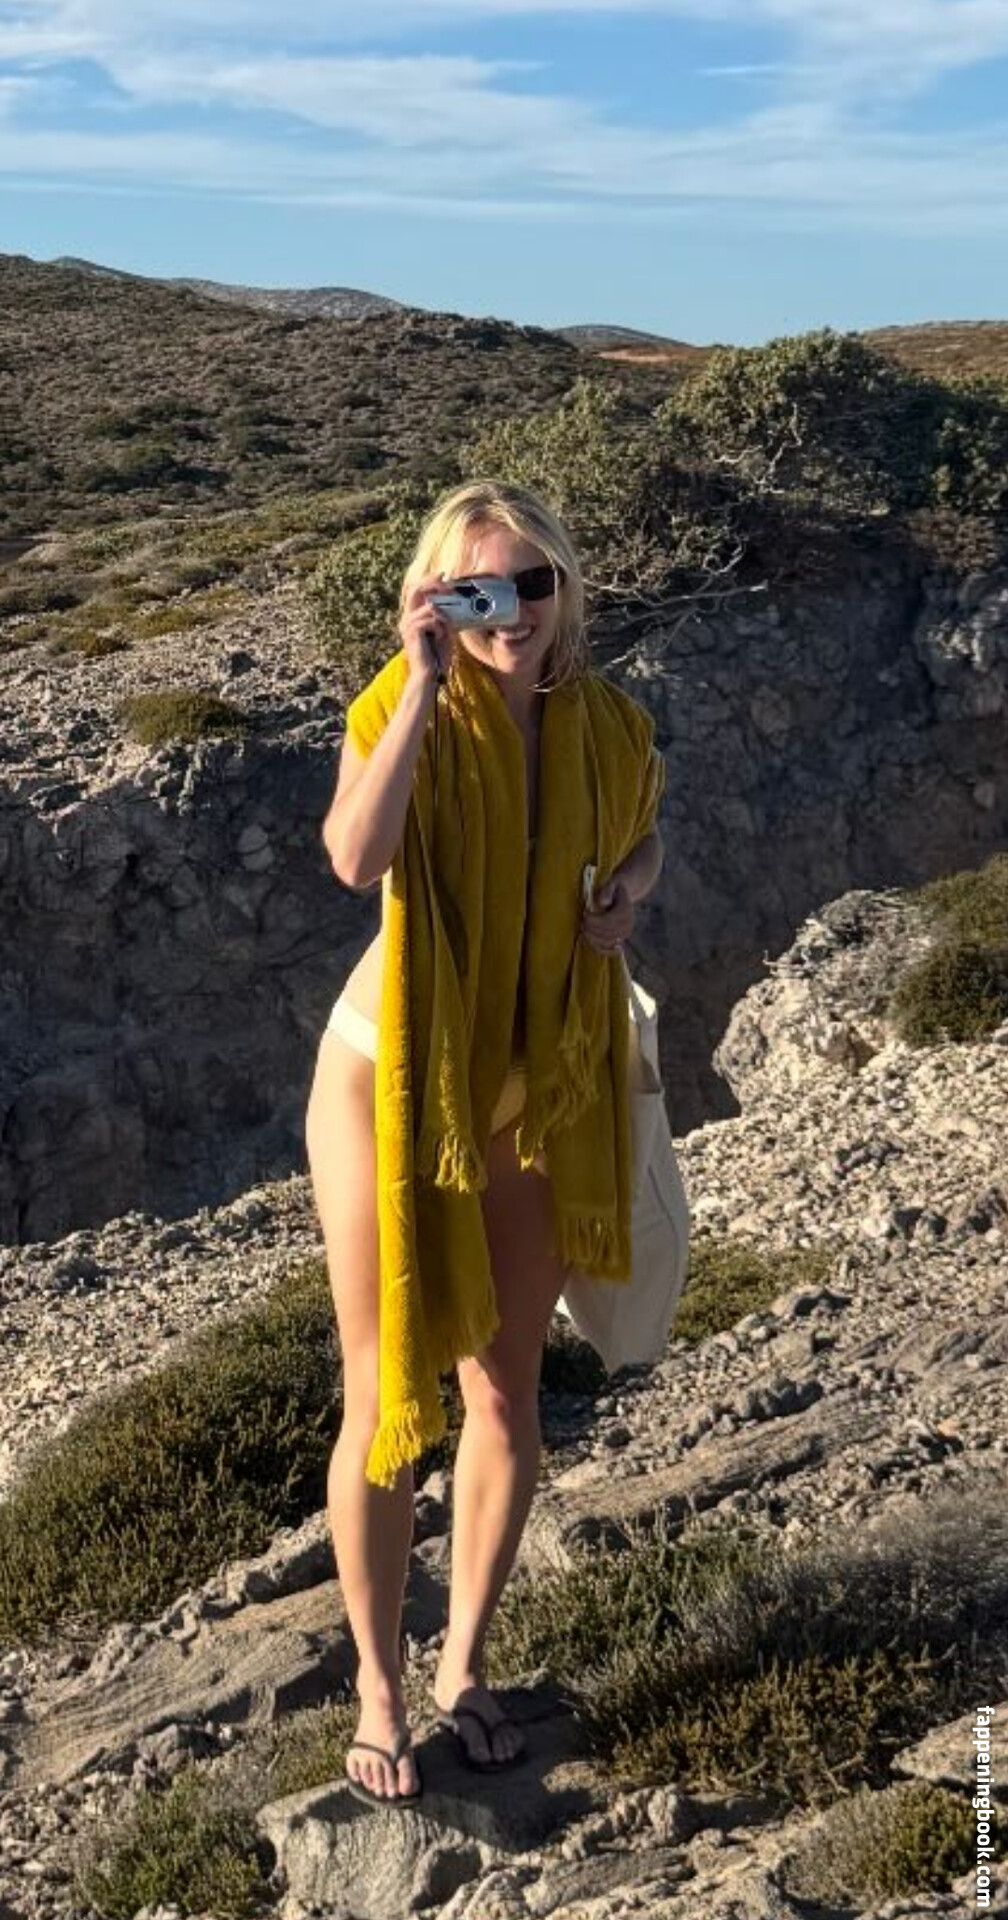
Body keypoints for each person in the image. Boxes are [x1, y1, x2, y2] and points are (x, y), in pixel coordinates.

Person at [305, 478, 665, 1806]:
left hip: (534, 1092)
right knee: (388, 1397)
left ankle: (463, 1665)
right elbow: (355, 856)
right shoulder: (399, 708)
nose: (511, 613)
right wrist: (415, 680)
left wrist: (628, 893)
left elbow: (645, 837)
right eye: (480, 589)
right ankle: (377, 1686)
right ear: (437, 597)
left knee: (506, 1395)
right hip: (392, 1085)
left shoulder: (608, 725)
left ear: (566, 587)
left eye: (533, 584)